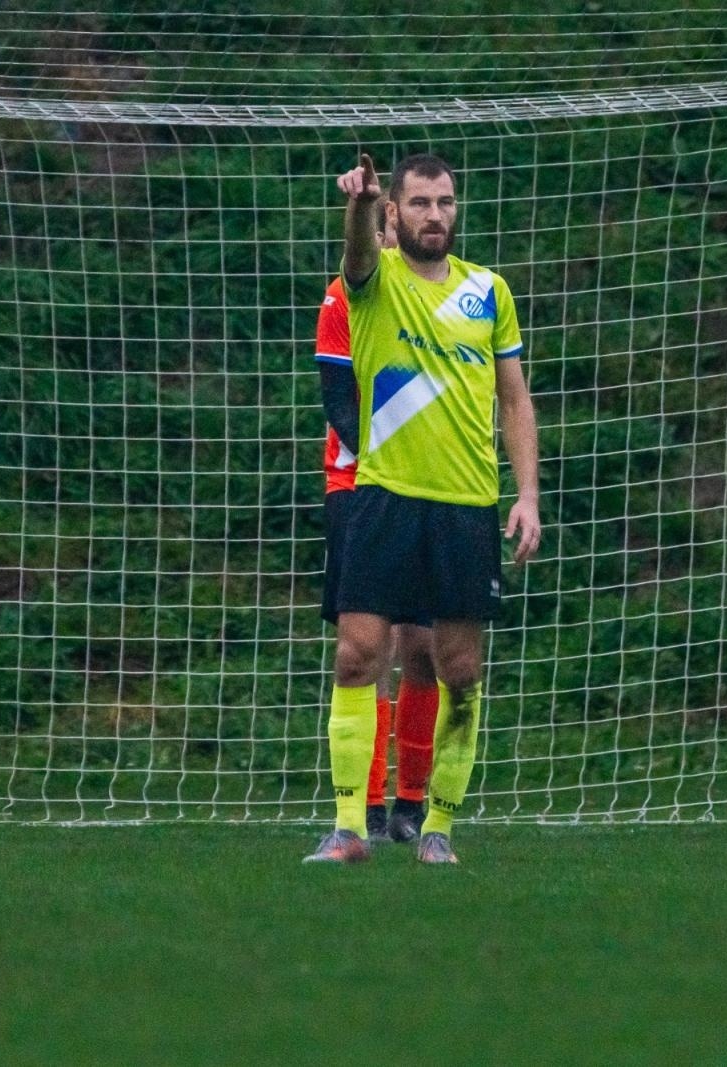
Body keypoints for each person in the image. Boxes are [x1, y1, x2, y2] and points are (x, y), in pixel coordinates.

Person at [305, 152, 542, 865]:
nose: (434, 215)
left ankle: (437, 827)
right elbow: (355, 257)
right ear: (395, 213)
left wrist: (528, 495)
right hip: (383, 496)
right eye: (418, 203)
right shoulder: (374, 283)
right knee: (357, 655)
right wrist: (357, 208)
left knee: (459, 669)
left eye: (444, 202)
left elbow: (514, 400)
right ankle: (350, 827)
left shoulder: (489, 290)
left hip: (466, 505)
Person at [314, 201, 440, 845]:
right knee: (368, 649)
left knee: (424, 646)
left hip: (432, 489)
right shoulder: (344, 297)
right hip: (359, 486)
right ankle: (362, 806)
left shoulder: (444, 301)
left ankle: (410, 805)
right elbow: (339, 402)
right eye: (382, 226)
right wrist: (385, 461)